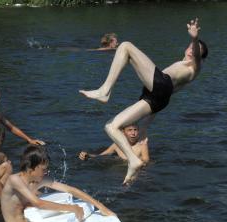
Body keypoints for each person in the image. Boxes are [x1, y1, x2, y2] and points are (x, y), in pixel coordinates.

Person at [79, 18, 207, 185]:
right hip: (155, 96)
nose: (192, 50)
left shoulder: (193, 68)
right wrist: (145, 126)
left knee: (125, 46)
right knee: (111, 127)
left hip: (161, 85)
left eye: (196, 49)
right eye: (190, 47)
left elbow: (195, 59)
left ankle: (104, 91)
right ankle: (133, 160)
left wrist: (195, 39)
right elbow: (164, 98)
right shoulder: (181, 66)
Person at [1, 145, 116, 222]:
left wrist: (100, 206)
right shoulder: (14, 180)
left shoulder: (39, 180)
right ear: (31, 167)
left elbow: (70, 190)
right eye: (43, 169)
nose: (47, 172)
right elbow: (38, 203)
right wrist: (72, 208)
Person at [79, 124, 149, 165]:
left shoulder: (142, 145)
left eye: (135, 130)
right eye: (130, 130)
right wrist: (88, 156)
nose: (133, 133)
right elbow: (102, 155)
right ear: (123, 132)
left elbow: (146, 161)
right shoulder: (117, 145)